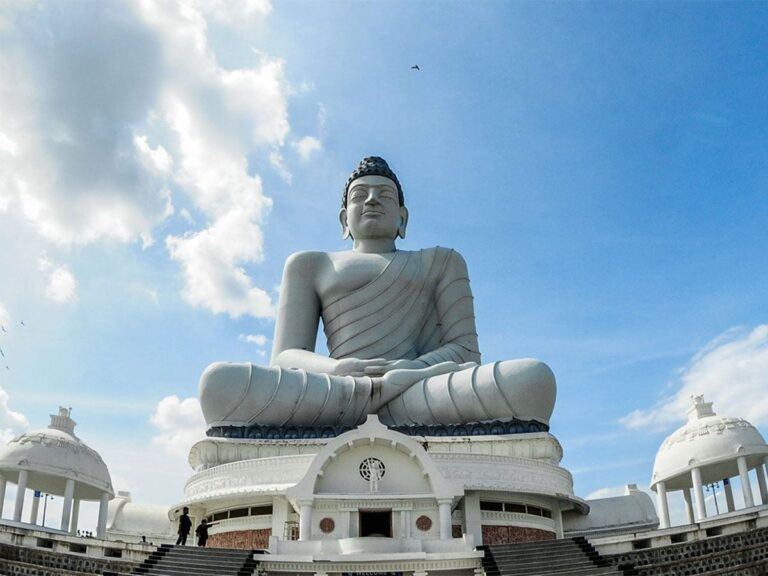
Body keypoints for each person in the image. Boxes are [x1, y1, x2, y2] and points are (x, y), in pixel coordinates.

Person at [200, 157, 556, 431]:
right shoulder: (309, 264)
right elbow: (287, 357)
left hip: (420, 389)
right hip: (336, 388)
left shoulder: (442, 261)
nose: (372, 200)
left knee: (531, 380)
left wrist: (408, 370)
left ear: (403, 218)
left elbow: (465, 353)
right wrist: (337, 369)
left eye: (384, 195)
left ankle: (377, 400)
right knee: (219, 385)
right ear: (344, 219)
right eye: (360, 196)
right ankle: (377, 401)